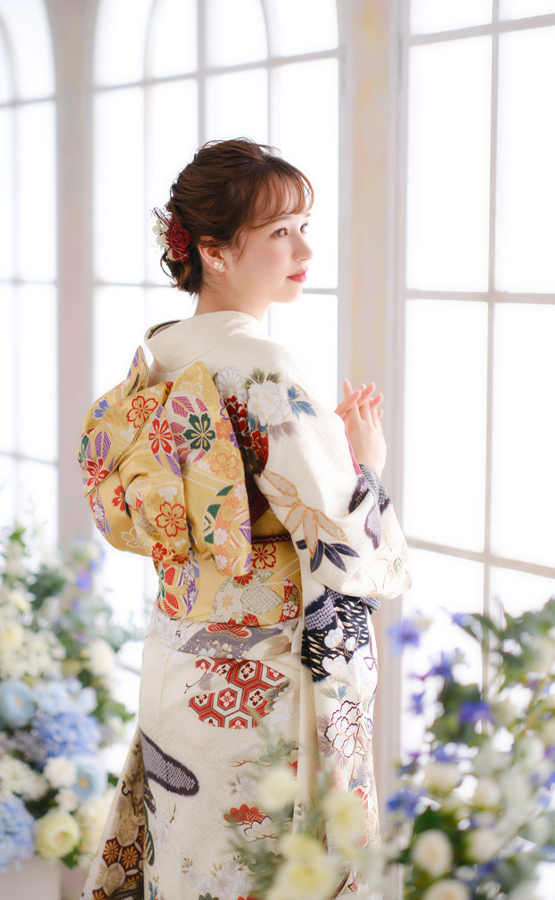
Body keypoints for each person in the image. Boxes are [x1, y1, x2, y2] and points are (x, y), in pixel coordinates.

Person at [79, 138, 410, 900]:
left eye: (304, 227)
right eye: (279, 233)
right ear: (213, 251)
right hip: (259, 680)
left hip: (179, 663)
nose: (304, 251)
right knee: (255, 875)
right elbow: (343, 543)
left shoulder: (160, 353)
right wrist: (365, 462)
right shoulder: (264, 366)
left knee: (184, 864)